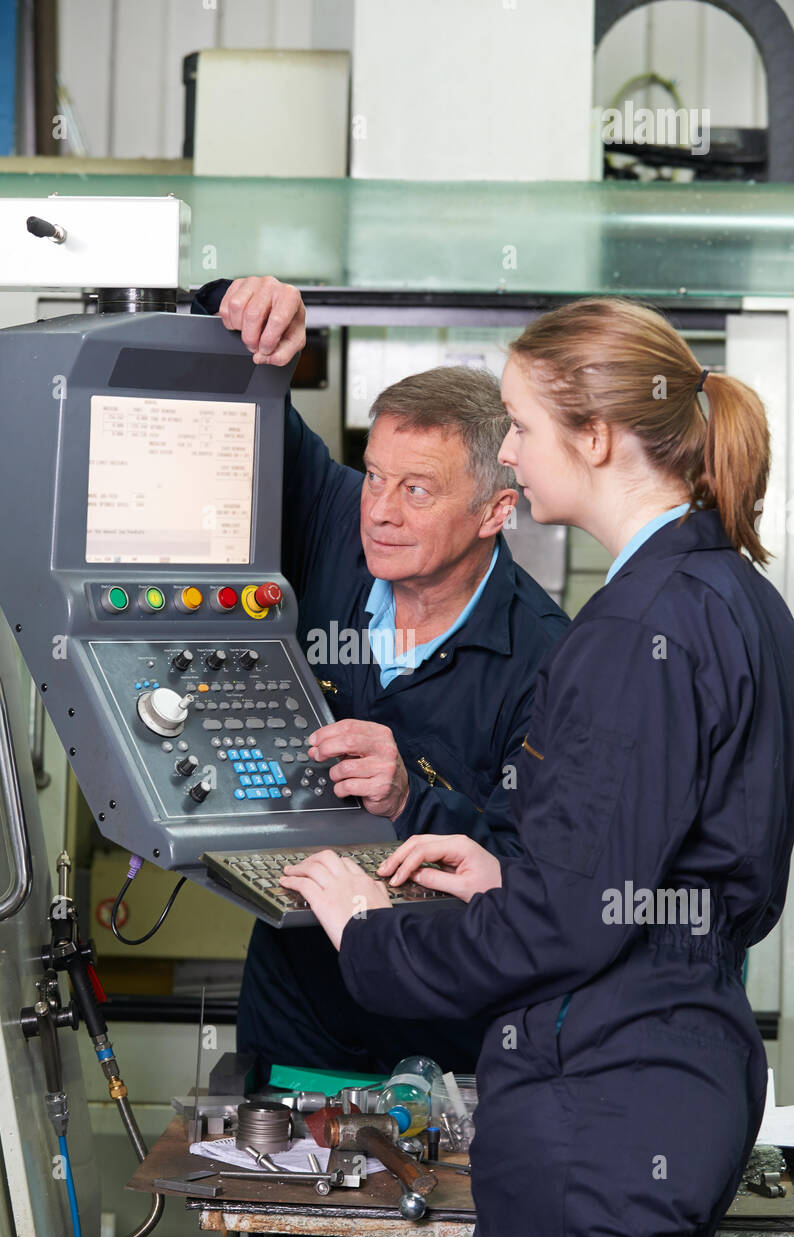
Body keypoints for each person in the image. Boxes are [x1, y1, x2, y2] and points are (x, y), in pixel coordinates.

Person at [281, 296, 794, 1237]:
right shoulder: (738, 597)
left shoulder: (624, 632)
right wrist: (512, 868)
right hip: (688, 1071)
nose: (508, 456)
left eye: (518, 426)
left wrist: (367, 929)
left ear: (594, 437)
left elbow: (560, 929)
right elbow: (639, 868)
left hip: (600, 1098)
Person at [192, 276, 569, 1080]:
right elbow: (235, 385)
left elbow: (533, 883)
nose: (381, 511)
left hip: (442, 1050)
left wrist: (410, 798)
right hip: (294, 1019)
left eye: (418, 489)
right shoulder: (334, 521)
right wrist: (244, 300)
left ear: (498, 511)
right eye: (375, 475)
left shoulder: (548, 663)